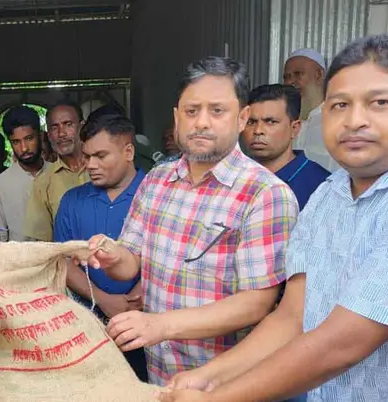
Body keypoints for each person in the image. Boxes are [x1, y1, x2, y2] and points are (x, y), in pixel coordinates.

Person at [165, 34, 388, 402]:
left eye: (379, 102)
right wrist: (207, 377)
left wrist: (218, 397)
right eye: (340, 104)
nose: (354, 120)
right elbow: (291, 317)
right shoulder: (328, 195)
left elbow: (343, 344)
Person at [84, 56, 299, 386]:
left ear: (242, 117)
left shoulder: (265, 194)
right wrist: (112, 256)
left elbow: (256, 303)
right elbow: (130, 264)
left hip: (226, 384)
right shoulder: (156, 180)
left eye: (217, 111)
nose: (201, 122)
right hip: (161, 378)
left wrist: (160, 325)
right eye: (191, 110)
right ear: (176, 117)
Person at [53, 114, 148, 381]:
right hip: (87, 325)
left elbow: (171, 252)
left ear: (128, 151)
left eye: (101, 156)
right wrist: (105, 301)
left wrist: (142, 293)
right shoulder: (73, 201)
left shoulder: (156, 194)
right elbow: (62, 262)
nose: (90, 165)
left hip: (148, 324)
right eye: (87, 156)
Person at [242, 84, 330, 210]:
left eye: (270, 122)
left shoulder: (322, 187)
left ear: (294, 128)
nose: (258, 130)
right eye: (251, 122)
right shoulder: (232, 178)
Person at [24, 100, 89, 241]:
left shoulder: (102, 169)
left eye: (68, 124)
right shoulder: (43, 182)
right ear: (48, 135)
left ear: (82, 127)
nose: (61, 133)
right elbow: (41, 242)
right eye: (54, 127)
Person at [0, 105, 48, 242]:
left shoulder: (57, 174)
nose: (24, 148)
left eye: (29, 138)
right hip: (19, 262)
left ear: (40, 136)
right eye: (16, 142)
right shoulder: (0, 185)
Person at [283, 48, 339, 172]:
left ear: (319, 74)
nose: (291, 81)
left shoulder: (337, 121)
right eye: (287, 77)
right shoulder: (282, 121)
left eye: (298, 74)